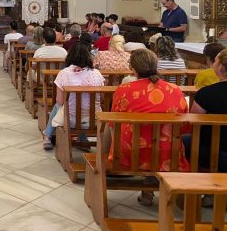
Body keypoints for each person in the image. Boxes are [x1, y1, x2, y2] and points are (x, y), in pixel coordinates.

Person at [111, 48, 189, 206]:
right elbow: (185, 126)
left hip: (131, 151)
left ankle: (147, 189)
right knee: (160, 143)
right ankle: (153, 188)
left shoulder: (124, 90)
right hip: (168, 152)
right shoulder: (174, 90)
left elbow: (114, 122)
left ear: (133, 69)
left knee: (110, 128)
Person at [43, 43, 105, 150]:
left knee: (57, 106)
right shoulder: (97, 73)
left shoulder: (64, 73)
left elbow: (60, 101)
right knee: (85, 106)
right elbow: (102, 98)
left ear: (70, 56)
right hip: (94, 119)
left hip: (71, 120)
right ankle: (82, 137)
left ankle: (47, 136)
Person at [187, 48, 227, 173]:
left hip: (213, 152)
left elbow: (193, 123)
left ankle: (190, 187)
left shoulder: (206, 93)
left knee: (182, 141)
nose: (213, 64)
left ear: (220, 67)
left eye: (215, 61)